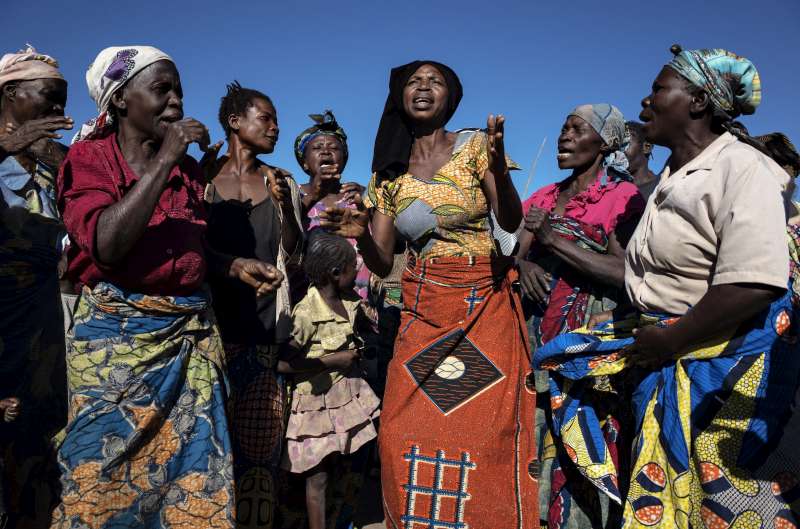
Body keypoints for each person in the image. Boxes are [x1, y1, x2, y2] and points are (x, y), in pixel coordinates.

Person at [534, 45, 799, 529]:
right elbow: (641, 279)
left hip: (719, 374)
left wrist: (673, 339)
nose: (645, 102)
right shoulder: (674, 179)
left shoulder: (743, 169)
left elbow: (755, 282)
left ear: (697, 101)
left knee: (721, 503)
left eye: (658, 89)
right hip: (668, 356)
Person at [52, 46, 283, 529]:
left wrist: (231, 264)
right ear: (119, 101)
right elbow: (106, 244)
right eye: (161, 90)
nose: (176, 101)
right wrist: (166, 161)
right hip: (118, 345)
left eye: (178, 89)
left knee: (194, 478)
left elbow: (187, 245)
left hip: (191, 341)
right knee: (101, 476)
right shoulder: (88, 159)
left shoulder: (186, 172)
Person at [321, 60, 537, 528]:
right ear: (399, 97)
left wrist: (500, 171)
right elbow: (381, 260)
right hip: (423, 310)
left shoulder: (477, 147)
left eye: (433, 81)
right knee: (401, 433)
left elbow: (512, 222)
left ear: (450, 97)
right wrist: (359, 234)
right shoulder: (389, 175)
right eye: (412, 82)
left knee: (478, 433)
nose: (422, 88)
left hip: (484, 307)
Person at [517, 103, 645, 528]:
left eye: (577, 128)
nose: (565, 136)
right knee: (537, 439)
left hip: (588, 350)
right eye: (563, 127)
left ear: (606, 142)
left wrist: (552, 241)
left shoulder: (622, 198)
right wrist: (524, 264)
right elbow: (516, 254)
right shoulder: (543, 196)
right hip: (536, 339)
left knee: (588, 444)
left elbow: (626, 271)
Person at [202, 80, 303, 529]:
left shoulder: (278, 181)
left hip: (264, 331)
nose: (276, 127)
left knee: (260, 447)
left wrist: (286, 213)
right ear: (234, 121)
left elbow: (293, 254)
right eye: (267, 117)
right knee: (206, 441)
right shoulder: (200, 177)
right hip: (206, 332)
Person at [0, 45, 72, 528]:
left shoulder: (51, 164)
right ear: (10, 93)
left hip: (44, 332)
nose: (58, 111)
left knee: (36, 457)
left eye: (64, 99)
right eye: (48, 95)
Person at [281, 231, 380, 529]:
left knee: (343, 467)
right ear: (336, 273)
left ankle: (339, 520)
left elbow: (358, 323)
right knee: (318, 478)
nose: (357, 271)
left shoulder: (349, 300)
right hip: (315, 406)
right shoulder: (305, 313)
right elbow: (285, 363)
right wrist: (332, 361)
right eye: (353, 267)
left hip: (345, 398)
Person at [293, 111, 368, 300]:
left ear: (344, 159)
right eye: (317, 147)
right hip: (308, 305)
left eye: (334, 148)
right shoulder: (292, 194)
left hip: (360, 302)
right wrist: (314, 196)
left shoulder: (358, 197)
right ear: (304, 162)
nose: (326, 151)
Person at [625, 121, 659, 199]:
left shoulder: (659, 189)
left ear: (647, 147)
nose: (618, 152)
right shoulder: (610, 185)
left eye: (626, 144)